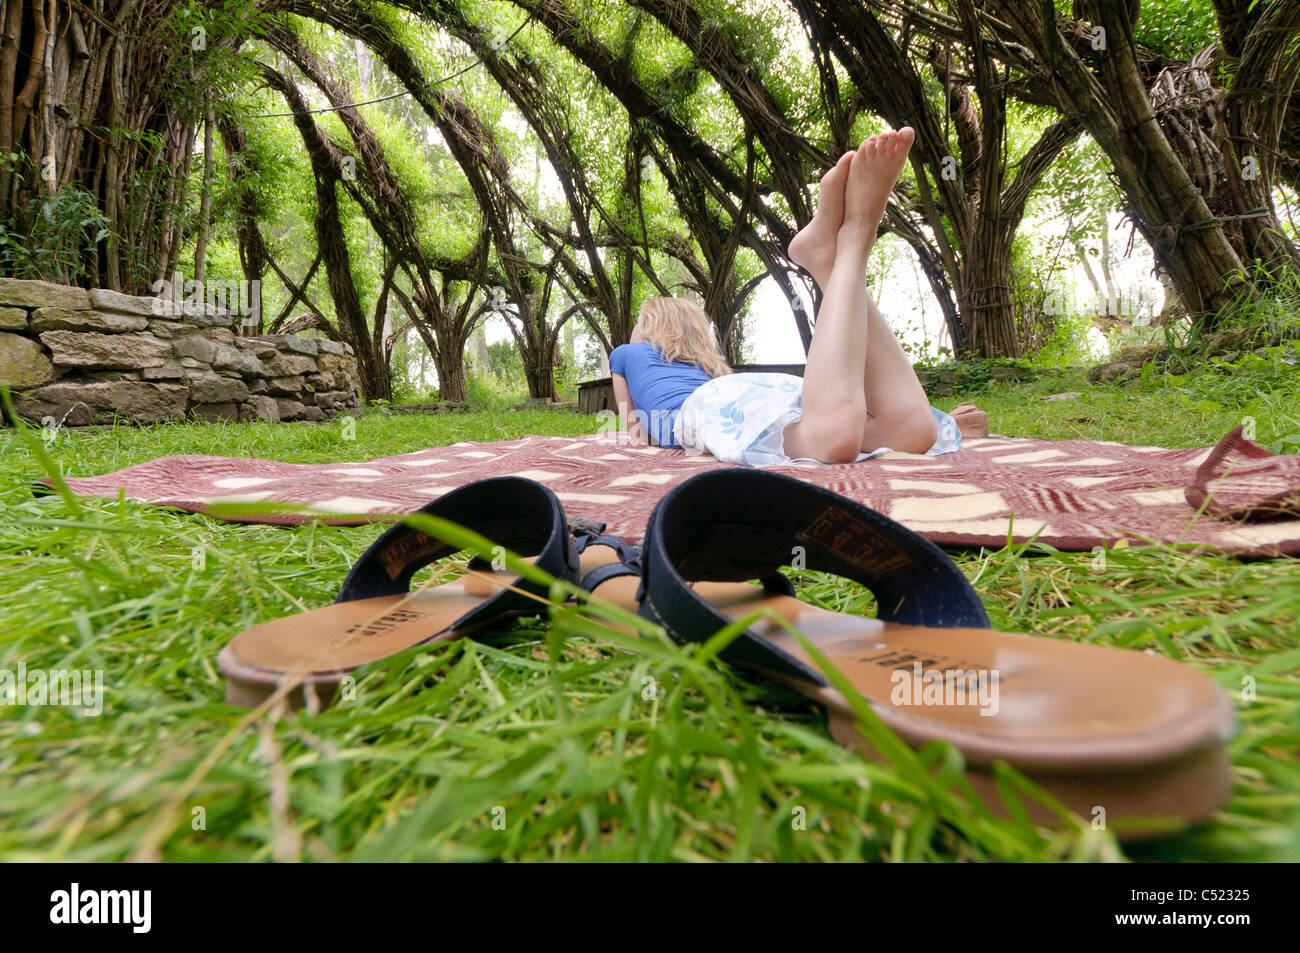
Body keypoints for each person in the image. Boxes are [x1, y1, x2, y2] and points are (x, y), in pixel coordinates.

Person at [609, 127, 960, 466]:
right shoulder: (704, 366)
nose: (635, 330)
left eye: (641, 322)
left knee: (833, 435)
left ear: (650, 329)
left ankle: (856, 233)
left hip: (704, 412)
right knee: (913, 429)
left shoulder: (625, 354)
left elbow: (633, 432)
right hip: (752, 391)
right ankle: (825, 261)